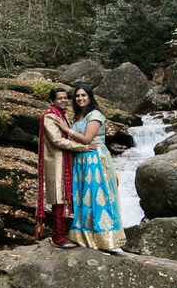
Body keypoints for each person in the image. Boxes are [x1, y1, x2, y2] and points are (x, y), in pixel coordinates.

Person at [66, 83, 127, 253]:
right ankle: (84, 236)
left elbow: (86, 138)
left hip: (95, 160)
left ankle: (104, 238)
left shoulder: (95, 115)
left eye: (83, 95)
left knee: (96, 194)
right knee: (82, 196)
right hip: (80, 159)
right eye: (77, 96)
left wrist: (65, 130)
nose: (80, 98)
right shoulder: (78, 116)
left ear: (90, 97)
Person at [36, 84, 82, 248]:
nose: (64, 100)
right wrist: (83, 147)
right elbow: (56, 140)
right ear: (52, 101)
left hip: (66, 162)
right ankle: (58, 238)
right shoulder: (50, 116)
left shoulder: (62, 115)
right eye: (60, 98)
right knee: (58, 199)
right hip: (56, 163)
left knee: (64, 197)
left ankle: (65, 234)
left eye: (65, 98)